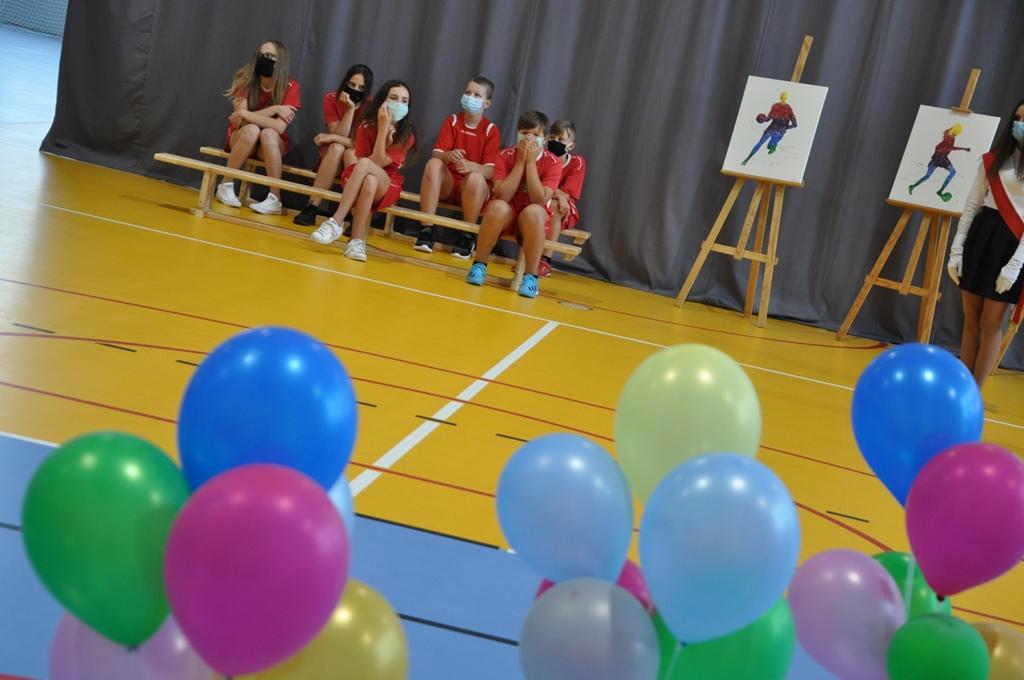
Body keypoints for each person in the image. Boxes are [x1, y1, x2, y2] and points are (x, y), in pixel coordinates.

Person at [947, 100, 1024, 386]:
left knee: (990, 324)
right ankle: (964, 386)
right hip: (981, 237)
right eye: (1017, 118)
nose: (1020, 125)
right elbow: (971, 206)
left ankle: (975, 392)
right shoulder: (993, 159)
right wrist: (957, 249)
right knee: (971, 319)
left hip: (1010, 246)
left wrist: (1015, 266)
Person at [309, 80, 417, 262]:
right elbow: (364, 160)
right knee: (369, 181)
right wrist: (381, 130)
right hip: (361, 175)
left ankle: (336, 221)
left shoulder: (406, 134)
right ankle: (356, 242)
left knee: (368, 167)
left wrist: (383, 130)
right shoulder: (366, 125)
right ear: (382, 101)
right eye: (393, 98)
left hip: (388, 181)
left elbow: (378, 162)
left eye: (404, 101)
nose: (399, 103)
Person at [465, 111, 561, 298]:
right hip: (508, 214)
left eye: (535, 135)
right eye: (524, 133)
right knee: (497, 207)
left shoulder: (553, 162)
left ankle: (531, 277)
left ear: (545, 139)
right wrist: (519, 164)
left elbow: (540, 199)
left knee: (535, 212)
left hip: (531, 220)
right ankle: (479, 265)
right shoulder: (505, 155)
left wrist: (530, 164)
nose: (529, 139)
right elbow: (503, 194)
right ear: (517, 133)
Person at [414, 76, 500, 258]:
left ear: (486, 104)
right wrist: (447, 156)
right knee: (433, 164)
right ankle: (426, 230)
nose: (470, 97)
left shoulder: (490, 130)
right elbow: (437, 153)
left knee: (476, 178)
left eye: (477, 95)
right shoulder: (452, 120)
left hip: (472, 190)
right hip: (449, 185)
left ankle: (467, 236)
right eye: (468, 92)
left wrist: (470, 166)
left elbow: (491, 171)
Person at [216, 40, 301, 215]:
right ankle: (226, 185)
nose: (264, 59)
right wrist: (275, 109)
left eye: (270, 56)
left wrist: (246, 114)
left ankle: (275, 199)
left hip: (269, 144)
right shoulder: (247, 80)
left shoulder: (291, 86)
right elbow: (238, 122)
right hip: (243, 138)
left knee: (268, 133)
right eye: (261, 55)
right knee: (252, 130)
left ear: (280, 61)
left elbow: (279, 127)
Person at [293, 64, 374, 226]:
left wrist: (330, 137)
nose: (355, 90)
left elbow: (361, 144)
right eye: (351, 85)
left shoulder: (371, 106)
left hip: (357, 156)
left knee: (350, 153)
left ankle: (355, 217)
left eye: (361, 88)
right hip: (333, 156)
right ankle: (311, 207)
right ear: (345, 82)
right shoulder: (331, 98)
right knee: (337, 148)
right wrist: (350, 109)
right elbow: (340, 137)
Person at [539, 119, 586, 277]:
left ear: (570, 146)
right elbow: (537, 186)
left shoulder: (577, 162)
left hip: (564, 207)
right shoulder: (542, 157)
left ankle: (545, 259)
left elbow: (567, 194)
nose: (555, 142)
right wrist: (557, 194)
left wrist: (558, 195)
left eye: (561, 139)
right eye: (552, 138)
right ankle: (527, 256)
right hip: (542, 198)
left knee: (555, 206)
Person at [909, 124, 971, 203]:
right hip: (937, 159)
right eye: (954, 132)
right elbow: (947, 147)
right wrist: (963, 148)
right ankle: (912, 186)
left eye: (956, 133)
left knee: (953, 172)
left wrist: (963, 149)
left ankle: (940, 191)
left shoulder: (952, 138)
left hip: (943, 159)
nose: (954, 135)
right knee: (927, 176)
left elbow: (950, 147)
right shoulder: (946, 138)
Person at [742, 92, 796, 165]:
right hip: (774, 131)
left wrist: (785, 128)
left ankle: (771, 148)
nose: (783, 99)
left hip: (776, 131)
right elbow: (768, 119)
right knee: (762, 144)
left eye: (783, 97)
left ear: (783, 98)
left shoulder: (785, 108)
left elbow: (795, 125)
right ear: (783, 98)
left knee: (766, 145)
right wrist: (763, 118)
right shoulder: (777, 107)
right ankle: (747, 159)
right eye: (783, 97)